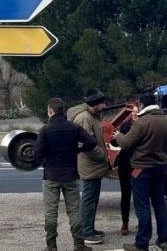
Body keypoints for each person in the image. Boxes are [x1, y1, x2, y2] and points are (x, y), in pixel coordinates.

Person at [34, 98, 101, 251]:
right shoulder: (74, 128)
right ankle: (78, 246)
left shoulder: (45, 130)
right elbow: (91, 142)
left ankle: (51, 246)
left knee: (51, 213)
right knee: (74, 212)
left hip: (51, 176)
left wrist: (45, 158)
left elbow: (37, 153)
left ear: (51, 111)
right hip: (71, 175)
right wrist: (78, 150)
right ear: (63, 111)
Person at [114, 93, 167, 251]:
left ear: (142, 105)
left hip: (141, 170)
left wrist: (118, 136)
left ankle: (141, 243)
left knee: (142, 206)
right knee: (159, 204)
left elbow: (127, 144)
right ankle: (164, 240)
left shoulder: (141, 123)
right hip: (161, 168)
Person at [67, 89, 111, 246]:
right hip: (90, 165)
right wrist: (102, 156)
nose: (105, 106)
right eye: (102, 103)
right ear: (96, 104)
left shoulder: (92, 116)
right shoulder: (85, 118)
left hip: (93, 166)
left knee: (92, 199)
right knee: (88, 200)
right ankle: (86, 232)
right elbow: (87, 144)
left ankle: (89, 228)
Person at [114, 107, 137, 235]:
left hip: (139, 163)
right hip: (124, 163)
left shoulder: (144, 125)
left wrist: (121, 138)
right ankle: (125, 223)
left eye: (137, 111)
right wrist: (114, 137)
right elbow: (117, 143)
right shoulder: (125, 125)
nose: (134, 113)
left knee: (140, 195)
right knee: (126, 194)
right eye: (133, 111)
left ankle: (142, 222)